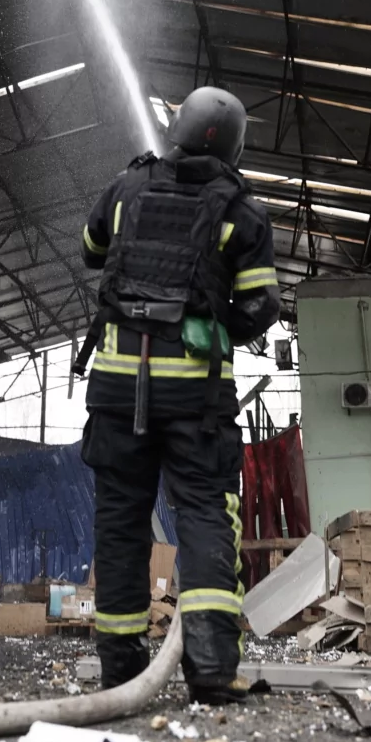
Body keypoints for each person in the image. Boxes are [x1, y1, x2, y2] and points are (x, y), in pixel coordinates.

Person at [74, 86, 282, 705]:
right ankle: (213, 669)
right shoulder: (240, 210)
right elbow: (261, 303)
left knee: (120, 523)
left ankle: (119, 671)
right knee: (203, 517)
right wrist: (214, 326)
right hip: (195, 397)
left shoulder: (126, 187)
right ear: (236, 145)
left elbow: (91, 253)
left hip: (116, 387)